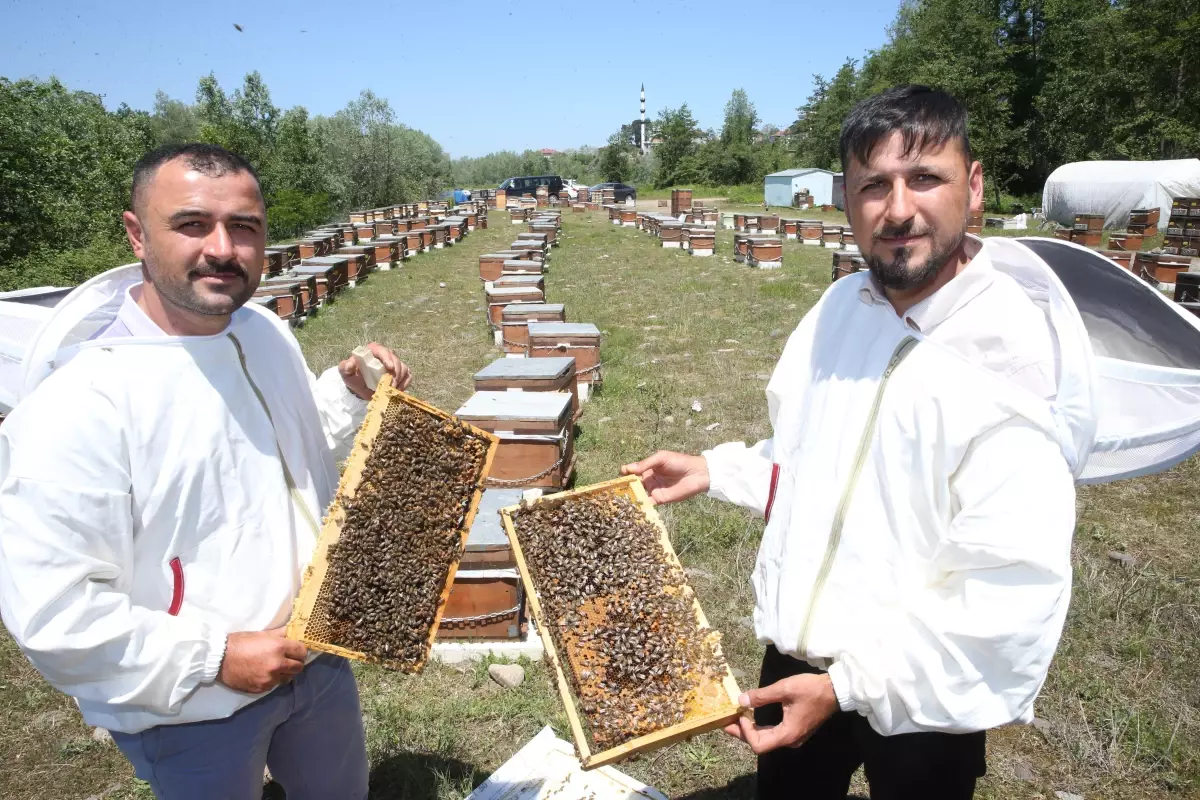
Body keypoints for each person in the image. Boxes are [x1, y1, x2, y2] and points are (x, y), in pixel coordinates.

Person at [622, 86, 1089, 799]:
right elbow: (811, 454)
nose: (898, 208)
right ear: (846, 199)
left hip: (922, 686)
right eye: (875, 185)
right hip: (798, 654)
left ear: (975, 185)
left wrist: (850, 687)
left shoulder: (1012, 364)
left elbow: (1005, 592)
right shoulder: (842, 307)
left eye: (924, 177)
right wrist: (717, 470)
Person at [0, 143, 412, 800]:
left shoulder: (261, 333)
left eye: (243, 227)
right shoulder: (78, 407)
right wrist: (213, 656)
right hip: (190, 706)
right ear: (137, 233)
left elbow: (285, 455)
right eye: (192, 224)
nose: (222, 248)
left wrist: (345, 394)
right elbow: (53, 614)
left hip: (317, 653)